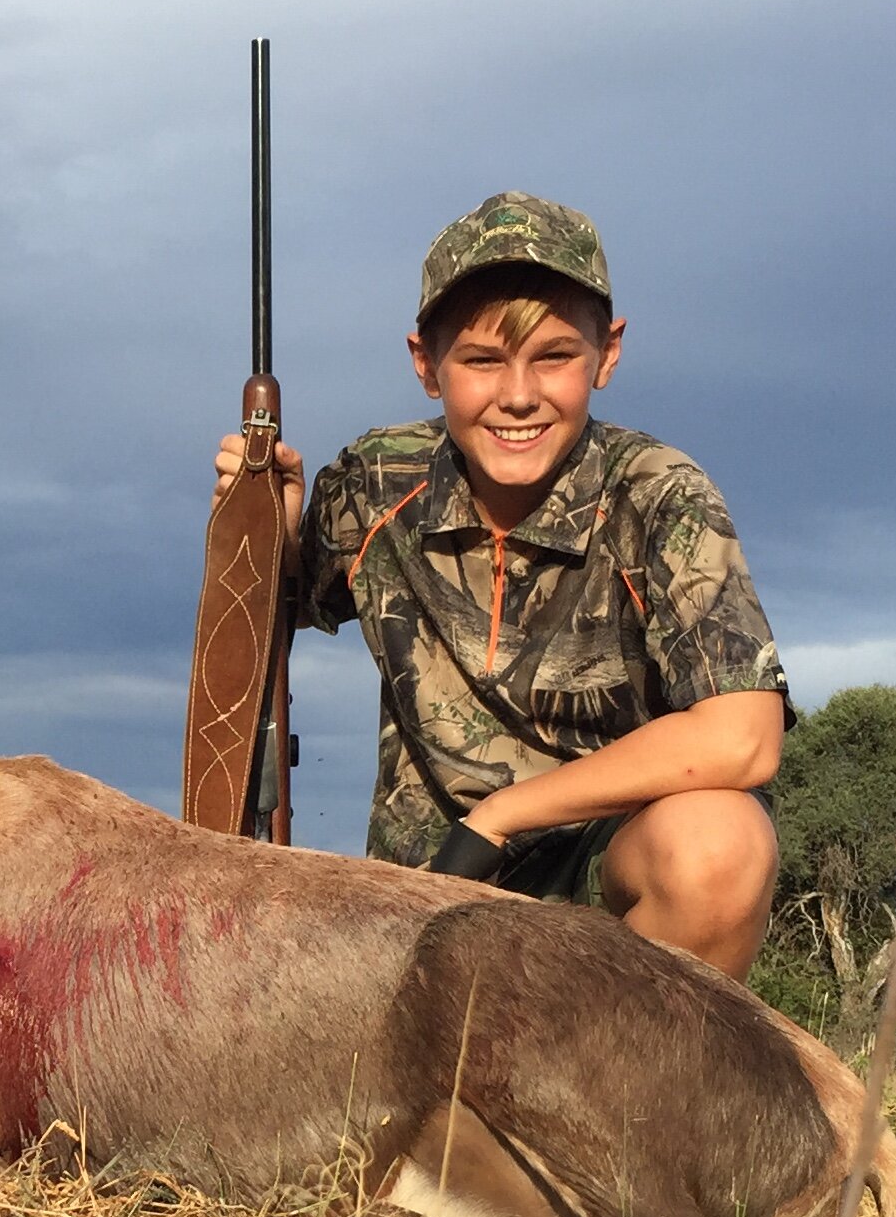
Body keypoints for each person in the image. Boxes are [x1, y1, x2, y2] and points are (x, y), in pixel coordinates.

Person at [213, 193, 789, 979]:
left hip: (599, 885)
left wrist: (503, 815)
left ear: (608, 353)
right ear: (426, 364)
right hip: (417, 895)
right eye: (481, 361)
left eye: (555, 356)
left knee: (720, 846)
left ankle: (638, 1095)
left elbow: (743, 735)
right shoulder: (377, 480)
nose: (518, 395)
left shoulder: (660, 494)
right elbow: (275, 610)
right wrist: (263, 524)